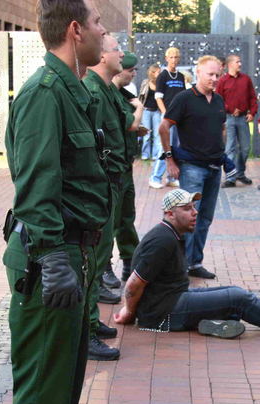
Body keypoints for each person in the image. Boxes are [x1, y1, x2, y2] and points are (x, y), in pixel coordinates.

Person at [2, 0, 107, 404]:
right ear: (74, 30)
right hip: (51, 257)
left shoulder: (73, 90)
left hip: (74, 254)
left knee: (65, 376)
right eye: (96, 23)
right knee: (44, 379)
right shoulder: (46, 94)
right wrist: (52, 259)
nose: (102, 30)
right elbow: (36, 185)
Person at [113, 189, 260, 336]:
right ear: (170, 214)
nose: (195, 212)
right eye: (187, 209)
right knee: (237, 298)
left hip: (172, 302)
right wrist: (129, 312)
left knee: (233, 292)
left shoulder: (171, 234)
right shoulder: (161, 240)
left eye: (194, 207)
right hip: (163, 314)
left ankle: (211, 322)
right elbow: (134, 284)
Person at [83, 35, 143, 362]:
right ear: (102, 56)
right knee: (93, 259)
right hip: (104, 183)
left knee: (102, 249)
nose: (121, 54)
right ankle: (87, 328)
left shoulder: (106, 90)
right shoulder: (93, 90)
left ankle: (91, 321)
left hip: (115, 179)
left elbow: (120, 128)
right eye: (116, 48)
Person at [159, 55, 226, 280]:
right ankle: (181, 266)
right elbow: (164, 127)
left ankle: (195, 262)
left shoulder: (218, 100)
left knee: (205, 218)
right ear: (198, 73)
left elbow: (222, 127)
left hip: (214, 168)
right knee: (187, 219)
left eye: (217, 74)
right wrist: (169, 159)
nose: (215, 79)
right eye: (210, 74)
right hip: (192, 169)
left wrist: (222, 153)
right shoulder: (184, 98)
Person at [109, 52, 144, 285]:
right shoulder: (109, 95)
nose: (133, 73)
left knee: (126, 217)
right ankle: (103, 268)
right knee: (111, 219)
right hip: (112, 167)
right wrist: (140, 109)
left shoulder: (122, 95)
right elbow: (130, 123)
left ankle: (130, 262)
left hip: (125, 165)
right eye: (130, 70)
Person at [216, 54, 257, 187]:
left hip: (243, 118)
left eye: (240, 61)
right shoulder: (222, 81)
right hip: (229, 118)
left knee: (245, 148)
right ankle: (231, 177)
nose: (240, 64)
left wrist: (252, 112)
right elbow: (218, 99)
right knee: (230, 148)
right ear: (230, 64)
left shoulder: (246, 79)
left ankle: (240, 173)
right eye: (237, 62)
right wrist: (229, 109)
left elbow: (252, 97)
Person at [148, 47, 185, 189]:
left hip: (178, 118)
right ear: (166, 58)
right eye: (171, 57)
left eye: (176, 57)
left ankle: (171, 177)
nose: (174, 60)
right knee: (164, 147)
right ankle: (155, 177)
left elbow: (182, 98)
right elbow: (158, 98)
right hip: (166, 117)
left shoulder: (181, 77)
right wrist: (165, 114)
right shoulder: (163, 76)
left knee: (174, 147)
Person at [139, 64, 161, 160]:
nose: (158, 73)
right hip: (146, 110)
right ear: (152, 72)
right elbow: (141, 96)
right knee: (146, 134)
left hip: (157, 111)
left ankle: (155, 155)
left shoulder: (161, 84)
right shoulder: (146, 82)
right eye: (156, 72)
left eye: (159, 72)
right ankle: (145, 154)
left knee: (157, 134)